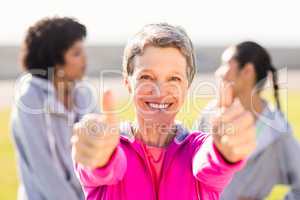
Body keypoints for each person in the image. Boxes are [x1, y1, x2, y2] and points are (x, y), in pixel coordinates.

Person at [71, 23, 256, 200]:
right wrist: (99, 156)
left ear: (187, 87)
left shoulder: (197, 149)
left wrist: (223, 153)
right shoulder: (110, 145)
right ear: (128, 82)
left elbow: (209, 164)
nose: (159, 91)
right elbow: (105, 166)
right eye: (146, 77)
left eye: (173, 79)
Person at [195, 41, 300, 199]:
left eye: (225, 64)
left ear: (247, 71)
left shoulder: (278, 132)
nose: (218, 72)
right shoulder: (209, 115)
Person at [11, 17, 98, 200]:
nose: (85, 59)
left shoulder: (84, 93)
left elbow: (100, 153)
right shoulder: (29, 99)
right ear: (55, 60)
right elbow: (42, 166)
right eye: (76, 53)